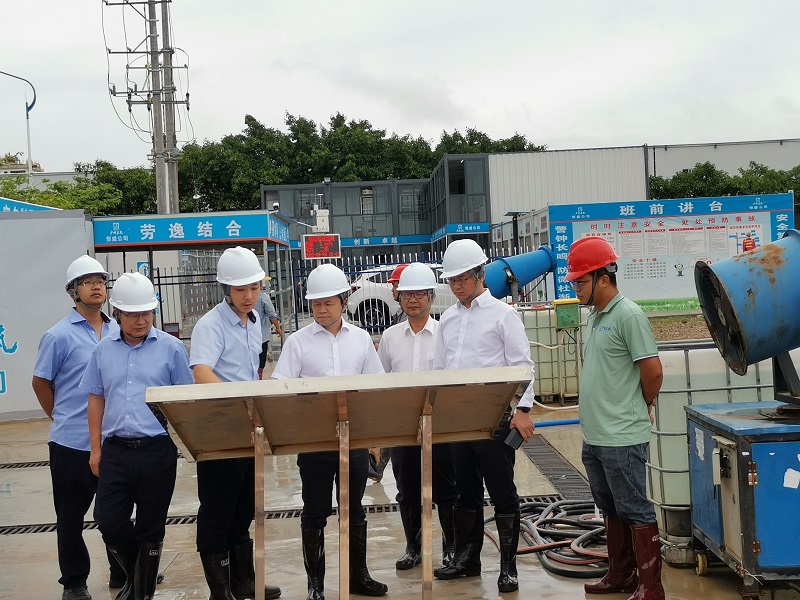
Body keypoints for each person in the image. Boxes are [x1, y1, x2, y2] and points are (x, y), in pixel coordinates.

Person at [272, 263, 388, 600]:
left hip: (354, 441)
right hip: (315, 443)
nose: (322, 309)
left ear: (343, 301)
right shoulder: (297, 343)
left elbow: (375, 389)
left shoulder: (361, 339)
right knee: (314, 512)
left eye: (328, 303)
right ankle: (316, 586)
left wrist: (374, 439)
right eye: (316, 303)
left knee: (354, 509)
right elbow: (280, 391)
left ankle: (358, 577)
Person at [81, 272, 194, 600]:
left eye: (146, 313)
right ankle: (137, 578)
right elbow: (96, 398)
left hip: (156, 450)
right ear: (117, 313)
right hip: (116, 450)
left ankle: (140, 593)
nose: (141, 320)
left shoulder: (172, 349)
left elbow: (186, 401)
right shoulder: (103, 350)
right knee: (108, 521)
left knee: (150, 527)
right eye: (132, 314)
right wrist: (95, 449)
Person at [432, 239, 535, 594]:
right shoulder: (447, 319)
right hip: (459, 422)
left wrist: (522, 411)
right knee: (465, 493)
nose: (457, 286)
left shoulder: (503, 315)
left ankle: (508, 568)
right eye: (452, 280)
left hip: (495, 420)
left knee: (503, 491)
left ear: (481, 274)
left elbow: (523, 367)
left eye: (463, 278)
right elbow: (440, 371)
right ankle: (467, 560)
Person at [564, 236, 664, 600]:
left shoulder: (628, 316)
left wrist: (641, 403)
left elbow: (653, 371)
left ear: (603, 278)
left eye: (580, 282)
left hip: (622, 436)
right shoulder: (595, 316)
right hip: (596, 436)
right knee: (610, 507)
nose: (575, 288)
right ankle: (621, 575)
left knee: (635, 507)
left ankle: (650, 586)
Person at [190, 246, 282, 600]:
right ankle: (221, 590)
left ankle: (243, 582)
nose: (249, 296)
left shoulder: (254, 320)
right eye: (241, 289)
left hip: (248, 429)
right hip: (220, 430)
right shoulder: (210, 325)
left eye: (255, 288)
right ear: (225, 288)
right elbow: (202, 372)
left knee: (243, 508)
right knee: (217, 511)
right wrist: (238, 403)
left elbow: (251, 370)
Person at [32, 256, 125, 600]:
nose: (96, 287)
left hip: (112, 438)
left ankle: (122, 570)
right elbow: (41, 382)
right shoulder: (58, 336)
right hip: (71, 443)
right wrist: (60, 417)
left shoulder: (118, 330)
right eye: (87, 282)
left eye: (100, 281)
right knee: (71, 518)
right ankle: (74, 583)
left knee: (115, 513)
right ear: (73, 292)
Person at [376, 263, 457, 572]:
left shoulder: (445, 333)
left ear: (431, 297)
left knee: (446, 488)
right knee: (407, 489)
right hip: (404, 428)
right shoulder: (390, 337)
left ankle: (451, 546)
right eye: (407, 295)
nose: (413, 300)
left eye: (419, 294)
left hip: (441, 425)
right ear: (399, 297)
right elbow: (380, 382)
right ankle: (414, 547)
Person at [254, 276, 282, 379]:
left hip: (245, 336)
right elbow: (272, 314)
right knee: (260, 362)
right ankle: (258, 378)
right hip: (262, 336)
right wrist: (277, 328)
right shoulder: (263, 297)